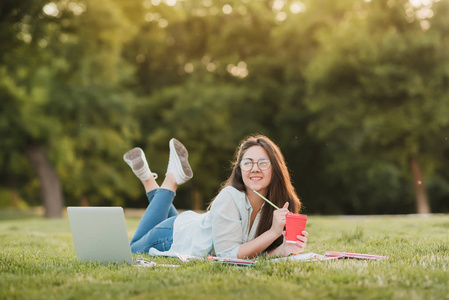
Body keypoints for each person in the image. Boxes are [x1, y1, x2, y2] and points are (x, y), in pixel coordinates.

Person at [124, 135, 308, 259]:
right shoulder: (229, 196)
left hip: (191, 225)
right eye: (247, 163)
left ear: (275, 168)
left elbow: (256, 252)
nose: (254, 168)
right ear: (240, 169)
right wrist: (273, 233)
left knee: (145, 233)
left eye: (263, 163)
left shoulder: (277, 206)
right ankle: (172, 179)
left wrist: (283, 249)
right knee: (132, 249)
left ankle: (147, 178)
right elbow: (227, 254)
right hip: (173, 236)